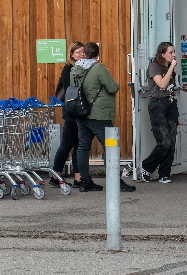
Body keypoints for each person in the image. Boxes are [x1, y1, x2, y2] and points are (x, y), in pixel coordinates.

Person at [71, 42, 136, 193]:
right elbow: (113, 87)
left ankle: (85, 181)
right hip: (100, 115)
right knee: (111, 145)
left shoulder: (75, 69)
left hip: (81, 114)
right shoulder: (98, 68)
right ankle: (115, 181)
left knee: (82, 148)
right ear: (97, 54)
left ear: (84, 53)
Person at [140, 41, 179, 183]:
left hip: (170, 104)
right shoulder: (154, 67)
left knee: (172, 141)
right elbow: (162, 85)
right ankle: (147, 166)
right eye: (171, 52)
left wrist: (177, 114)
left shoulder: (169, 68)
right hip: (157, 105)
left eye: (174, 52)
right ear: (163, 54)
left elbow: (171, 91)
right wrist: (172, 67)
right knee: (164, 142)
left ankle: (164, 173)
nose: (174, 55)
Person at [49, 41, 85, 188]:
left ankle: (78, 177)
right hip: (71, 110)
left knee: (78, 144)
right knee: (66, 144)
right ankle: (56, 175)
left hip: (79, 111)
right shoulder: (68, 68)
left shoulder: (81, 67)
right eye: (78, 52)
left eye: (83, 52)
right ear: (72, 54)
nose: (81, 55)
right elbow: (71, 90)